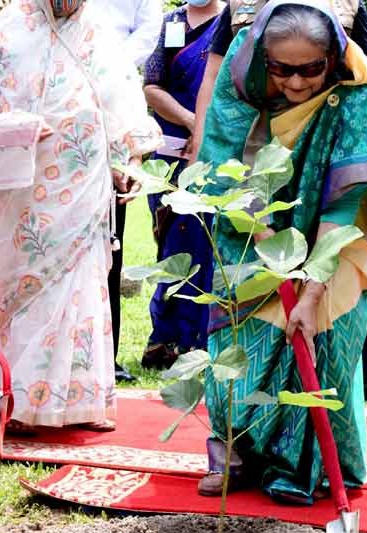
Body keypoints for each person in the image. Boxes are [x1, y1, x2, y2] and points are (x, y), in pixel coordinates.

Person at [196, 0, 367, 502]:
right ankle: (233, 456)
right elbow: (222, 166)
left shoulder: (357, 100)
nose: (295, 84)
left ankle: (299, 467)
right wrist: (266, 241)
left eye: (311, 70)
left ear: (332, 57)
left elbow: (348, 206)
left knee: (323, 347)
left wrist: (309, 290)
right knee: (240, 352)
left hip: (333, 243)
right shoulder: (239, 84)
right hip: (251, 232)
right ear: (262, 60)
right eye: (282, 70)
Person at [0, 0, 161, 431]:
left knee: (84, 282)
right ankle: (24, 405)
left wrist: (127, 161)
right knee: (32, 289)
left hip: (84, 181)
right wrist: (24, 126)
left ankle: (84, 402)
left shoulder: (97, 31)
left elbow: (120, 101)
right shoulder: (11, 27)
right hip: (28, 191)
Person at [140, 0, 225, 370]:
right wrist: (194, 122)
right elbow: (151, 87)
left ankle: (202, 341)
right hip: (170, 154)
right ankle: (165, 338)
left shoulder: (232, 24)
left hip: (215, 155)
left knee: (208, 248)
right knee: (171, 244)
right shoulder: (168, 24)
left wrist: (207, 134)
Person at [90, 0, 165, 383]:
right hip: (64, 91)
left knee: (109, 254)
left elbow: (148, 33)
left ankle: (107, 359)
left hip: (116, 93)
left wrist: (108, 63)